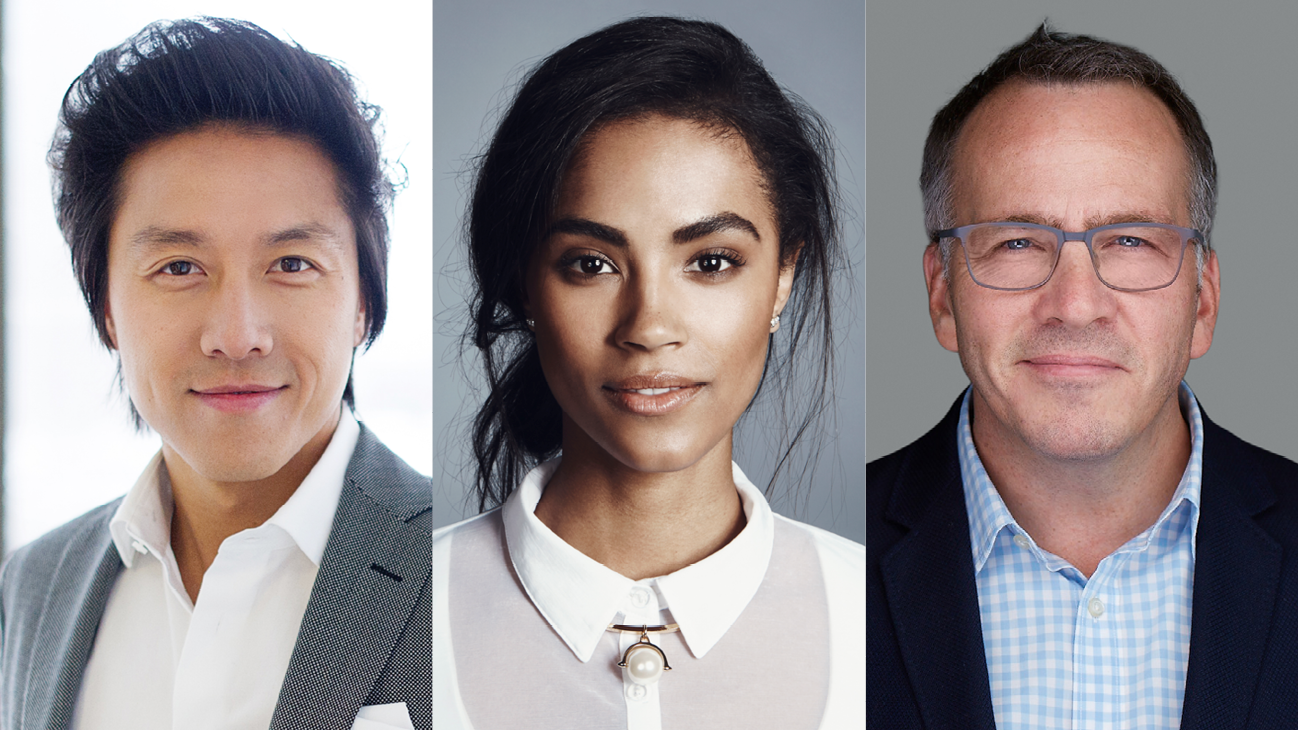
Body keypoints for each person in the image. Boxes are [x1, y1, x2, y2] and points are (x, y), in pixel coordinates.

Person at [434, 16, 863, 729]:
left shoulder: (869, 609)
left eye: (711, 262)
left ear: (784, 275)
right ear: (526, 284)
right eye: (591, 264)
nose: (649, 326)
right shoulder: (412, 606)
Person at [0, 19, 430, 730]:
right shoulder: (32, 588)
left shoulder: (463, 570)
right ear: (106, 309)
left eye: (292, 265)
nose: (237, 336)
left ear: (363, 301)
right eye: (178, 268)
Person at [868, 23, 1298, 729]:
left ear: (1204, 300)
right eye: (1016, 242)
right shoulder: (836, 557)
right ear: (942, 293)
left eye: (1130, 240)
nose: (1074, 305)